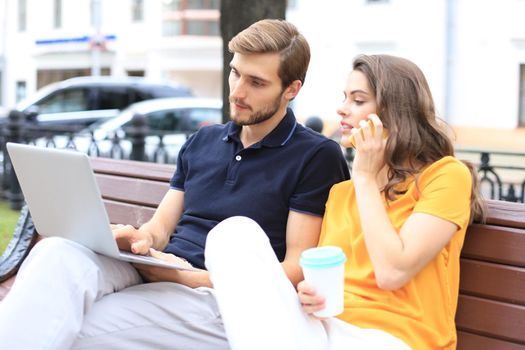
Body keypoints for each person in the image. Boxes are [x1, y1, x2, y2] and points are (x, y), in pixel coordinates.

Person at [0, 19, 350, 349]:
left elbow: (293, 270)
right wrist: (140, 240)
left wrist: (186, 278)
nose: (238, 92)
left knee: (72, 323)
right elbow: (162, 227)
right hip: (161, 269)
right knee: (56, 253)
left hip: (223, 299)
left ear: (292, 89)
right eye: (234, 73)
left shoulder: (316, 156)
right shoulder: (204, 141)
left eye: (256, 82)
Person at [204, 54, 486, 350]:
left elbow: (392, 272)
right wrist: (310, 295)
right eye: (345, 98)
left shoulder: (445, 176)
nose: (342, 109)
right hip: (326, 330)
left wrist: (365, 178)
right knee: (232, 235)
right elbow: (331, 283)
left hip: (397, 338)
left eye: (358, 100)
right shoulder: (341, 194)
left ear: (395, 112)